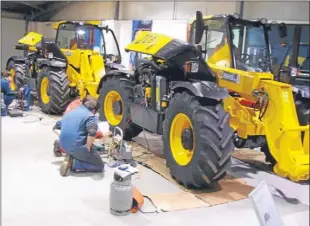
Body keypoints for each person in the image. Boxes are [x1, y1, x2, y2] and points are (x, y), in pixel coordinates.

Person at [53, 95, 105, 176]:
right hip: (76, 147)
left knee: (77, 144)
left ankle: (69, 152)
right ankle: (74, 163)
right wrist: (88, 147)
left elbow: (55, 127)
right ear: (94, 110)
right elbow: (92, 132)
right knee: (99, 166)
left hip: (63, 144)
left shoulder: (69, 113)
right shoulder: (91, 116)